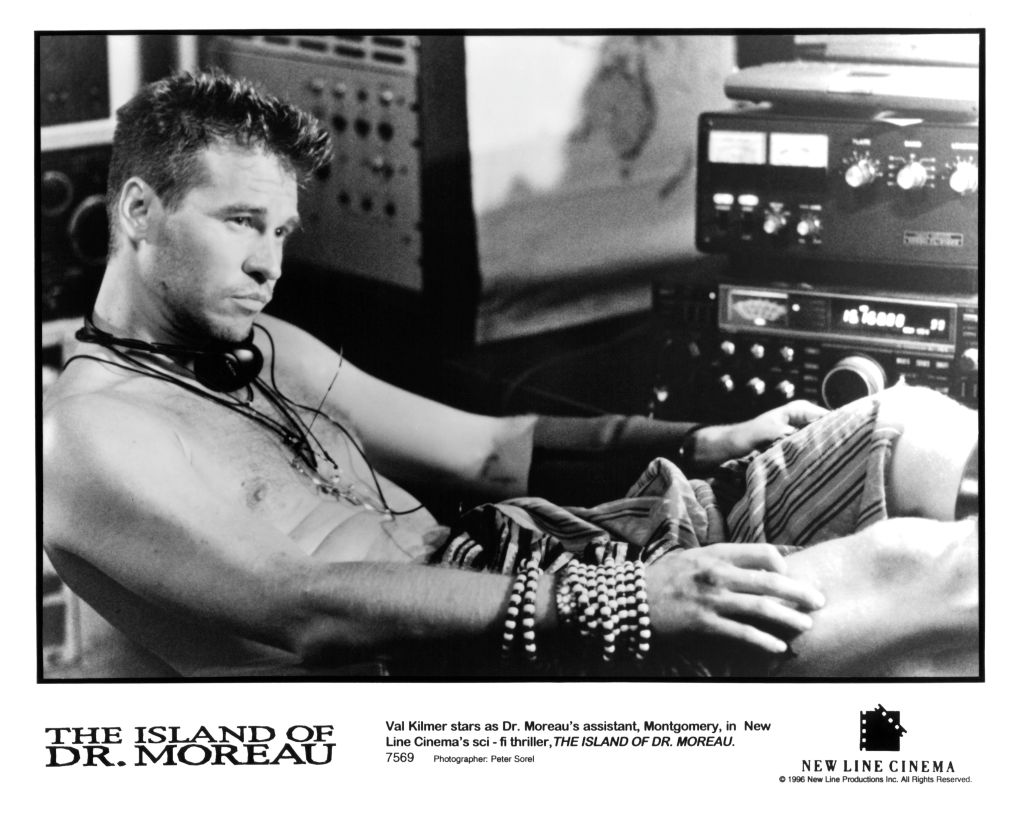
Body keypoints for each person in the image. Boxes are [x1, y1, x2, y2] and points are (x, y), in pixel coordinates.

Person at [42, 71, 980, 678]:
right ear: (138, 210)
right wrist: (625, 603)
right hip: (481, 667)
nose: (269, 264)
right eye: (241, 223)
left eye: (281, 231)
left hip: (545, 562)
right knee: (941, 572)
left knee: (912, 427)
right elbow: (304, 607)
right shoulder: (86, 434)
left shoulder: (264, 346)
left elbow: (488, 453)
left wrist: (702, 441)